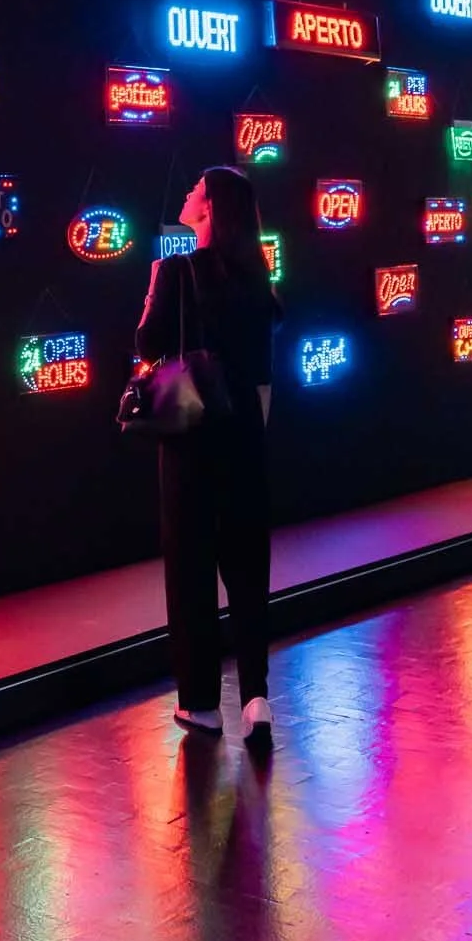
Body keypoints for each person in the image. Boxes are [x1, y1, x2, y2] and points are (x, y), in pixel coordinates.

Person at [134, 164, 277, 747]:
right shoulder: (257, 275)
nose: (189, 190)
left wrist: (152, 285)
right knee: (247, 570)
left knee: (190, 570)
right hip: (244, 436)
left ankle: (200, 704)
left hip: (190, 438)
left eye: (197, 186)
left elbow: (147, 345)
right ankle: (257, 699)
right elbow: (265, 373)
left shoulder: (175, 269)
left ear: (210, 206)